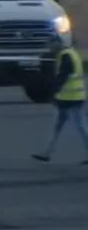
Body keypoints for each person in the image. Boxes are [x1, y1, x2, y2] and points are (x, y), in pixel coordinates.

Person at [33, 34, 88, 163]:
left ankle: (47, 153)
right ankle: (47, 153)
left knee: (80, 127)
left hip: (71, 98)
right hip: (70, 97)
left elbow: (63, 77)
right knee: (59, 127)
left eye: (50, 44)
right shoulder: (71, 53)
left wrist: (53, 92)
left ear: (57, 43)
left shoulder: (65, 56)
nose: (49, 47)